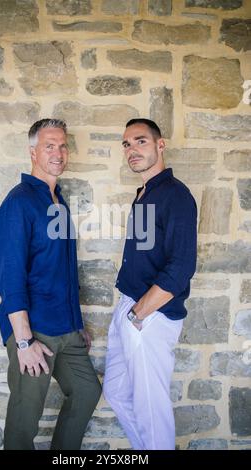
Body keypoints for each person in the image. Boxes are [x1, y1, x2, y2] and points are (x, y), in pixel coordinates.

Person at [0, 118, 101, 450]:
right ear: (32, 152)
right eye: (49, 146)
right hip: (34, 331)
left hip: (66, 329)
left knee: (86, 391)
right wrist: (24, 342)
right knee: (25, 419)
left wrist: (77, 323)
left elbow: (64, 271)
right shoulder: (19, 202)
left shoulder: (59, 201)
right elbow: (10, 278)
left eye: (63, 145)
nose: (58, 153)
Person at [103, 118, 197, 450]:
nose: (132, 150)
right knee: (115, 392)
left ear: (160, 145)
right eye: (126, 144)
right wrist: (129, 311)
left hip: (150, 314)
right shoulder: (144, 193)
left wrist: (140, 313)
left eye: (140, 141)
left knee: (150, 410)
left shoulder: (176, 195)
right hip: (129, 306)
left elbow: (182, 266)